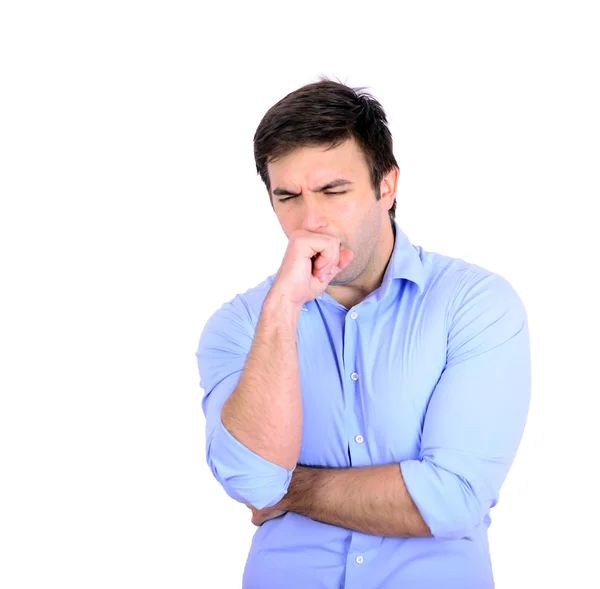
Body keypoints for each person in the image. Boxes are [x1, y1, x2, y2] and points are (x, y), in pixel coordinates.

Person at [195, 79, 531, 589]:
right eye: (287, 197)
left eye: (333, 191)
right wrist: (283, 307)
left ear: (387, 186)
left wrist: (294, 488)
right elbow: (252, 481)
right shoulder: (242, 324)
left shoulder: (475, 304)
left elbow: (453, 495)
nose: (311, 221)